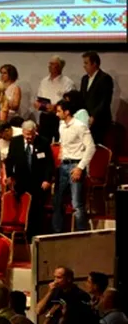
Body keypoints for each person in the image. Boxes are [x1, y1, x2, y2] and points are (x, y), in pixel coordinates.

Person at [51, 99, 95, 233]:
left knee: (76, 203)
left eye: (59, 111)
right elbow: (63, 145)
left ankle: (82, 233)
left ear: (67, 112)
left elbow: (91, 147)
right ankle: (57, 233)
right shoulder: (61, 125)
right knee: (58, 201)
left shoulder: (79, 126)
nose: (57, 114)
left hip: (75, 165)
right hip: (63, 166)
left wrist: (80, 168)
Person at [80, 51, 114, 145]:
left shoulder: (105, 78)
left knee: (97, 147)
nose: (84, 66)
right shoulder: (84, 79)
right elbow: (82, 98)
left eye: (86, 63)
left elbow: (105, 101)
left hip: (99, 121)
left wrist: (94, 116)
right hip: (85, 120)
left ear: (94, 64)